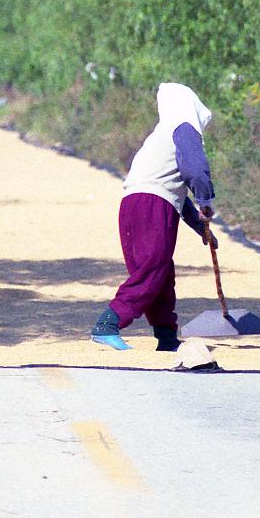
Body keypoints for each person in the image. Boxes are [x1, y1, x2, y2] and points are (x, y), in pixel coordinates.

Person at [90, 83, 217, 352]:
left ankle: (167, 337)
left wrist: (200, 228)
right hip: (152, 205)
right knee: (152, 269)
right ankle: (108, 324)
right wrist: (205, 200)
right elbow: (194, 171)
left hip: (135, 204)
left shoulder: (161, 135)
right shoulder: (183, 127)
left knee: (159, 271)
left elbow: (177, 194)